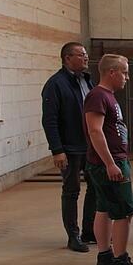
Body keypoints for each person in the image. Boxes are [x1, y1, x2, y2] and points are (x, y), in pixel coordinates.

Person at [84, 54, 133, 265]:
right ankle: (121, 263)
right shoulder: (98, 97)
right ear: (111, 72)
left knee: (104, 208)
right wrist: (110, 163)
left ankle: (105, 257)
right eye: (124, 72)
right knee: (124, 211)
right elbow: (95, 130)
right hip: (110, 163)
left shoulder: (106, 96)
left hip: (111, 161)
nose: (127, 78)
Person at [41, 42, 96, 253]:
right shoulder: (56, 84)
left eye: (85, 55)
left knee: (95, 188)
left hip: (90, 145)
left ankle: (89, 231)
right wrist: (57, 149)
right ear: (67, 58)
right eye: (81, 55)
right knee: (71, 191)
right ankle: (73, 235)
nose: (85, 58)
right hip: (70, 148)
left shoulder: (87, 80)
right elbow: (50, 120)